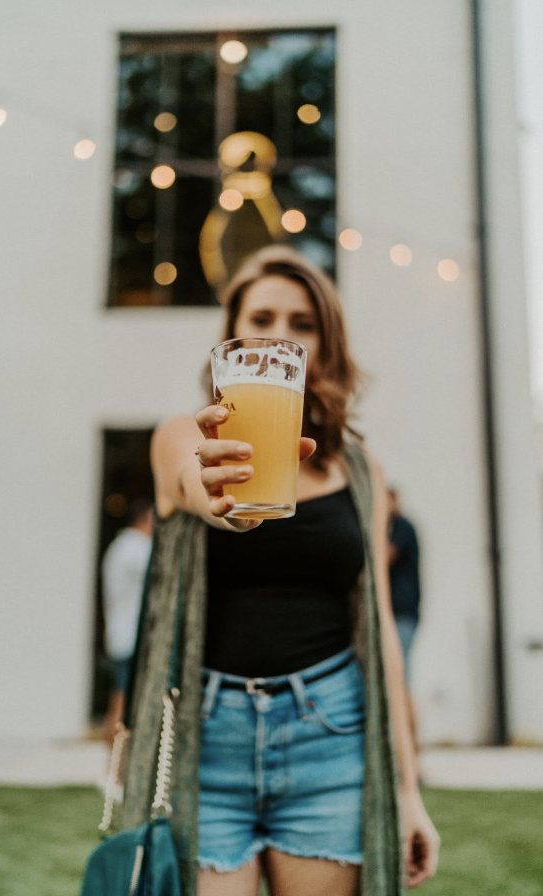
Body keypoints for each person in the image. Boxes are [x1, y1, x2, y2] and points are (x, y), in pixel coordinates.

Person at [121, 245, 440, 896]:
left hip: (331, 735)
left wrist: (407, 791)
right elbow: (193, 485)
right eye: (261, 319)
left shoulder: (358, 470)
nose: (278, 337)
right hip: (207, 743)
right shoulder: (184, 437)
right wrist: (224, 501)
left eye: (302, 324)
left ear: (326, 344)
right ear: (231, 338)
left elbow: (379, 629)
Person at [101, 499, 154, 745]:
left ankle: (112, 767)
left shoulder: (119, 546)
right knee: (122, 704)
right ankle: (115, 768)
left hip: (120, 635)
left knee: (118, 700)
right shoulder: (137, 548)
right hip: (131, 637)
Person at [387, 488, 421, 682]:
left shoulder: (402, 527)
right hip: (397, 614)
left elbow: (386, 556)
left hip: (402, 613)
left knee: (400, 676)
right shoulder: (393, 528)